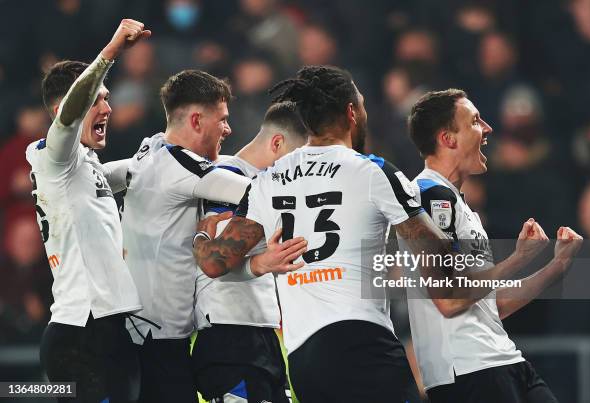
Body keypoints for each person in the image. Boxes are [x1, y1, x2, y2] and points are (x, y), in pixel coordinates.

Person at [192, 65, 453, 403]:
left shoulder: (268, 180)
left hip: (304, 360)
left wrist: (201, 238)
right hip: (362, 342)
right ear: (351, 112)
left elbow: (215, 264)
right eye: (361, 104)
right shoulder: (372, 169)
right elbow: (435, 252)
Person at [120, 70, 300, 403]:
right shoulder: (200, 172)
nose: (228, 129)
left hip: (168, 334)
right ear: (197, 120)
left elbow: (109, 173)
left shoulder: (151, 155)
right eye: (223, 119)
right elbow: (259, 197)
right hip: (171, 335)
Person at [406, 88, 583, 403]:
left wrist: (556, 267)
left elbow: (492, 304)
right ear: (448, 139)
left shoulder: (458, 205)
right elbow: (449, 299)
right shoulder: (429, 197)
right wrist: (517, 258)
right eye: (475, 121)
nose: (487, 129)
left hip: (503, 359)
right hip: (467, 370)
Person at [25, 19, 151, 403]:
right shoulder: (52, 155)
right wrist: (111, 50)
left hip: (106, 328)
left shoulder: (84, 165)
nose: (108, 108)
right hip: (81, 332)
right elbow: (69, 115)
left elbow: (136, 172)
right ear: (69, 109)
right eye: (99, 98)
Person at [191, 101, 308, 402]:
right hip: (229, 333)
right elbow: (213, 261)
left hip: (262, 333)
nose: (301, 169)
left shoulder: (267, 185)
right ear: (277, 142)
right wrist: (258, 265)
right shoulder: (225, 178)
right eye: (298, 157)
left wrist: (261, 264)